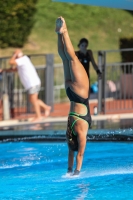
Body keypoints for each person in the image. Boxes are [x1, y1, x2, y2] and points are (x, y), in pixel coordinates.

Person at [55, 16, 92, 175]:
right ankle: (59, 34)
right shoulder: (70, 134)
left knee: (72, 58)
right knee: (65, 59)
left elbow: (80, 154)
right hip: (70, 94)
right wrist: (68, 170)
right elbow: (72, 152)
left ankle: (65, 31)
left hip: (80, 94)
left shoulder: (81, 133)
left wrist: (76, 172)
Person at [1, 49, 51, 122]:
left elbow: (11, 62)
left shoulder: (23, 59)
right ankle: (46, 108)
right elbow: (14, 70)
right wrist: (4, 70)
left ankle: (38, 116)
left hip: (32, 83)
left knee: (33, 100)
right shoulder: (21, 61)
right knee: (33, 99)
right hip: (31, 83)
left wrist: (14, 55)